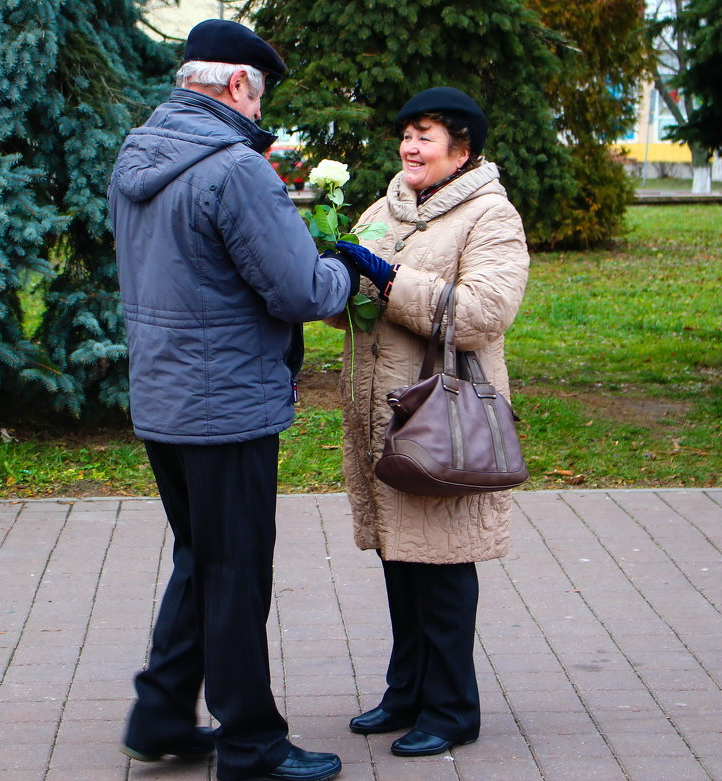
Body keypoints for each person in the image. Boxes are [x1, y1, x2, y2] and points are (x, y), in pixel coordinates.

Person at [107, 19, 356, 781]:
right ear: (239, 85)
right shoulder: (235, 169)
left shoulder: (137, 155)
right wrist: (347, 267)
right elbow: (301, 287)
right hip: (227, 406)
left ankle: (159, 715)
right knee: (236, 569)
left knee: (203, 557)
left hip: (164, 397)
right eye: (261, 95)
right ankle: (250, 743)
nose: (260, 113)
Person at [328, 87, 530, 758]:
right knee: (399, 557)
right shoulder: (383, 210)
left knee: (440, 564)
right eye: (406, 134)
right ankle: (407, 689)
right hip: (382, 417)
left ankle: (452, 707)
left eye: (425, 135)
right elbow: (345, 305)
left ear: (462, 148)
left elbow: (481, 315)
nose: (409, 147)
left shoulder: (489, 217)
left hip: (443, 420)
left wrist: (387, 279)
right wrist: (329, 275)